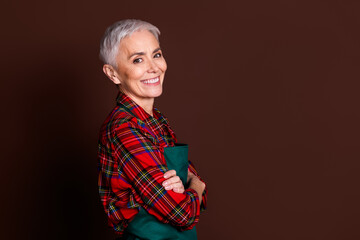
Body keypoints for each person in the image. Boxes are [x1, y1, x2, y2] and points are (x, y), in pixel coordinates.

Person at [98, 19, 207, 239]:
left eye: (156, 54)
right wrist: (196, 186)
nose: (154, 67)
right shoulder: (124, 128)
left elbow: (191, 191)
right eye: (138, 59)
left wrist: (189, 186)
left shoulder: (156, 120)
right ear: (113, 74)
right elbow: (182, 213)